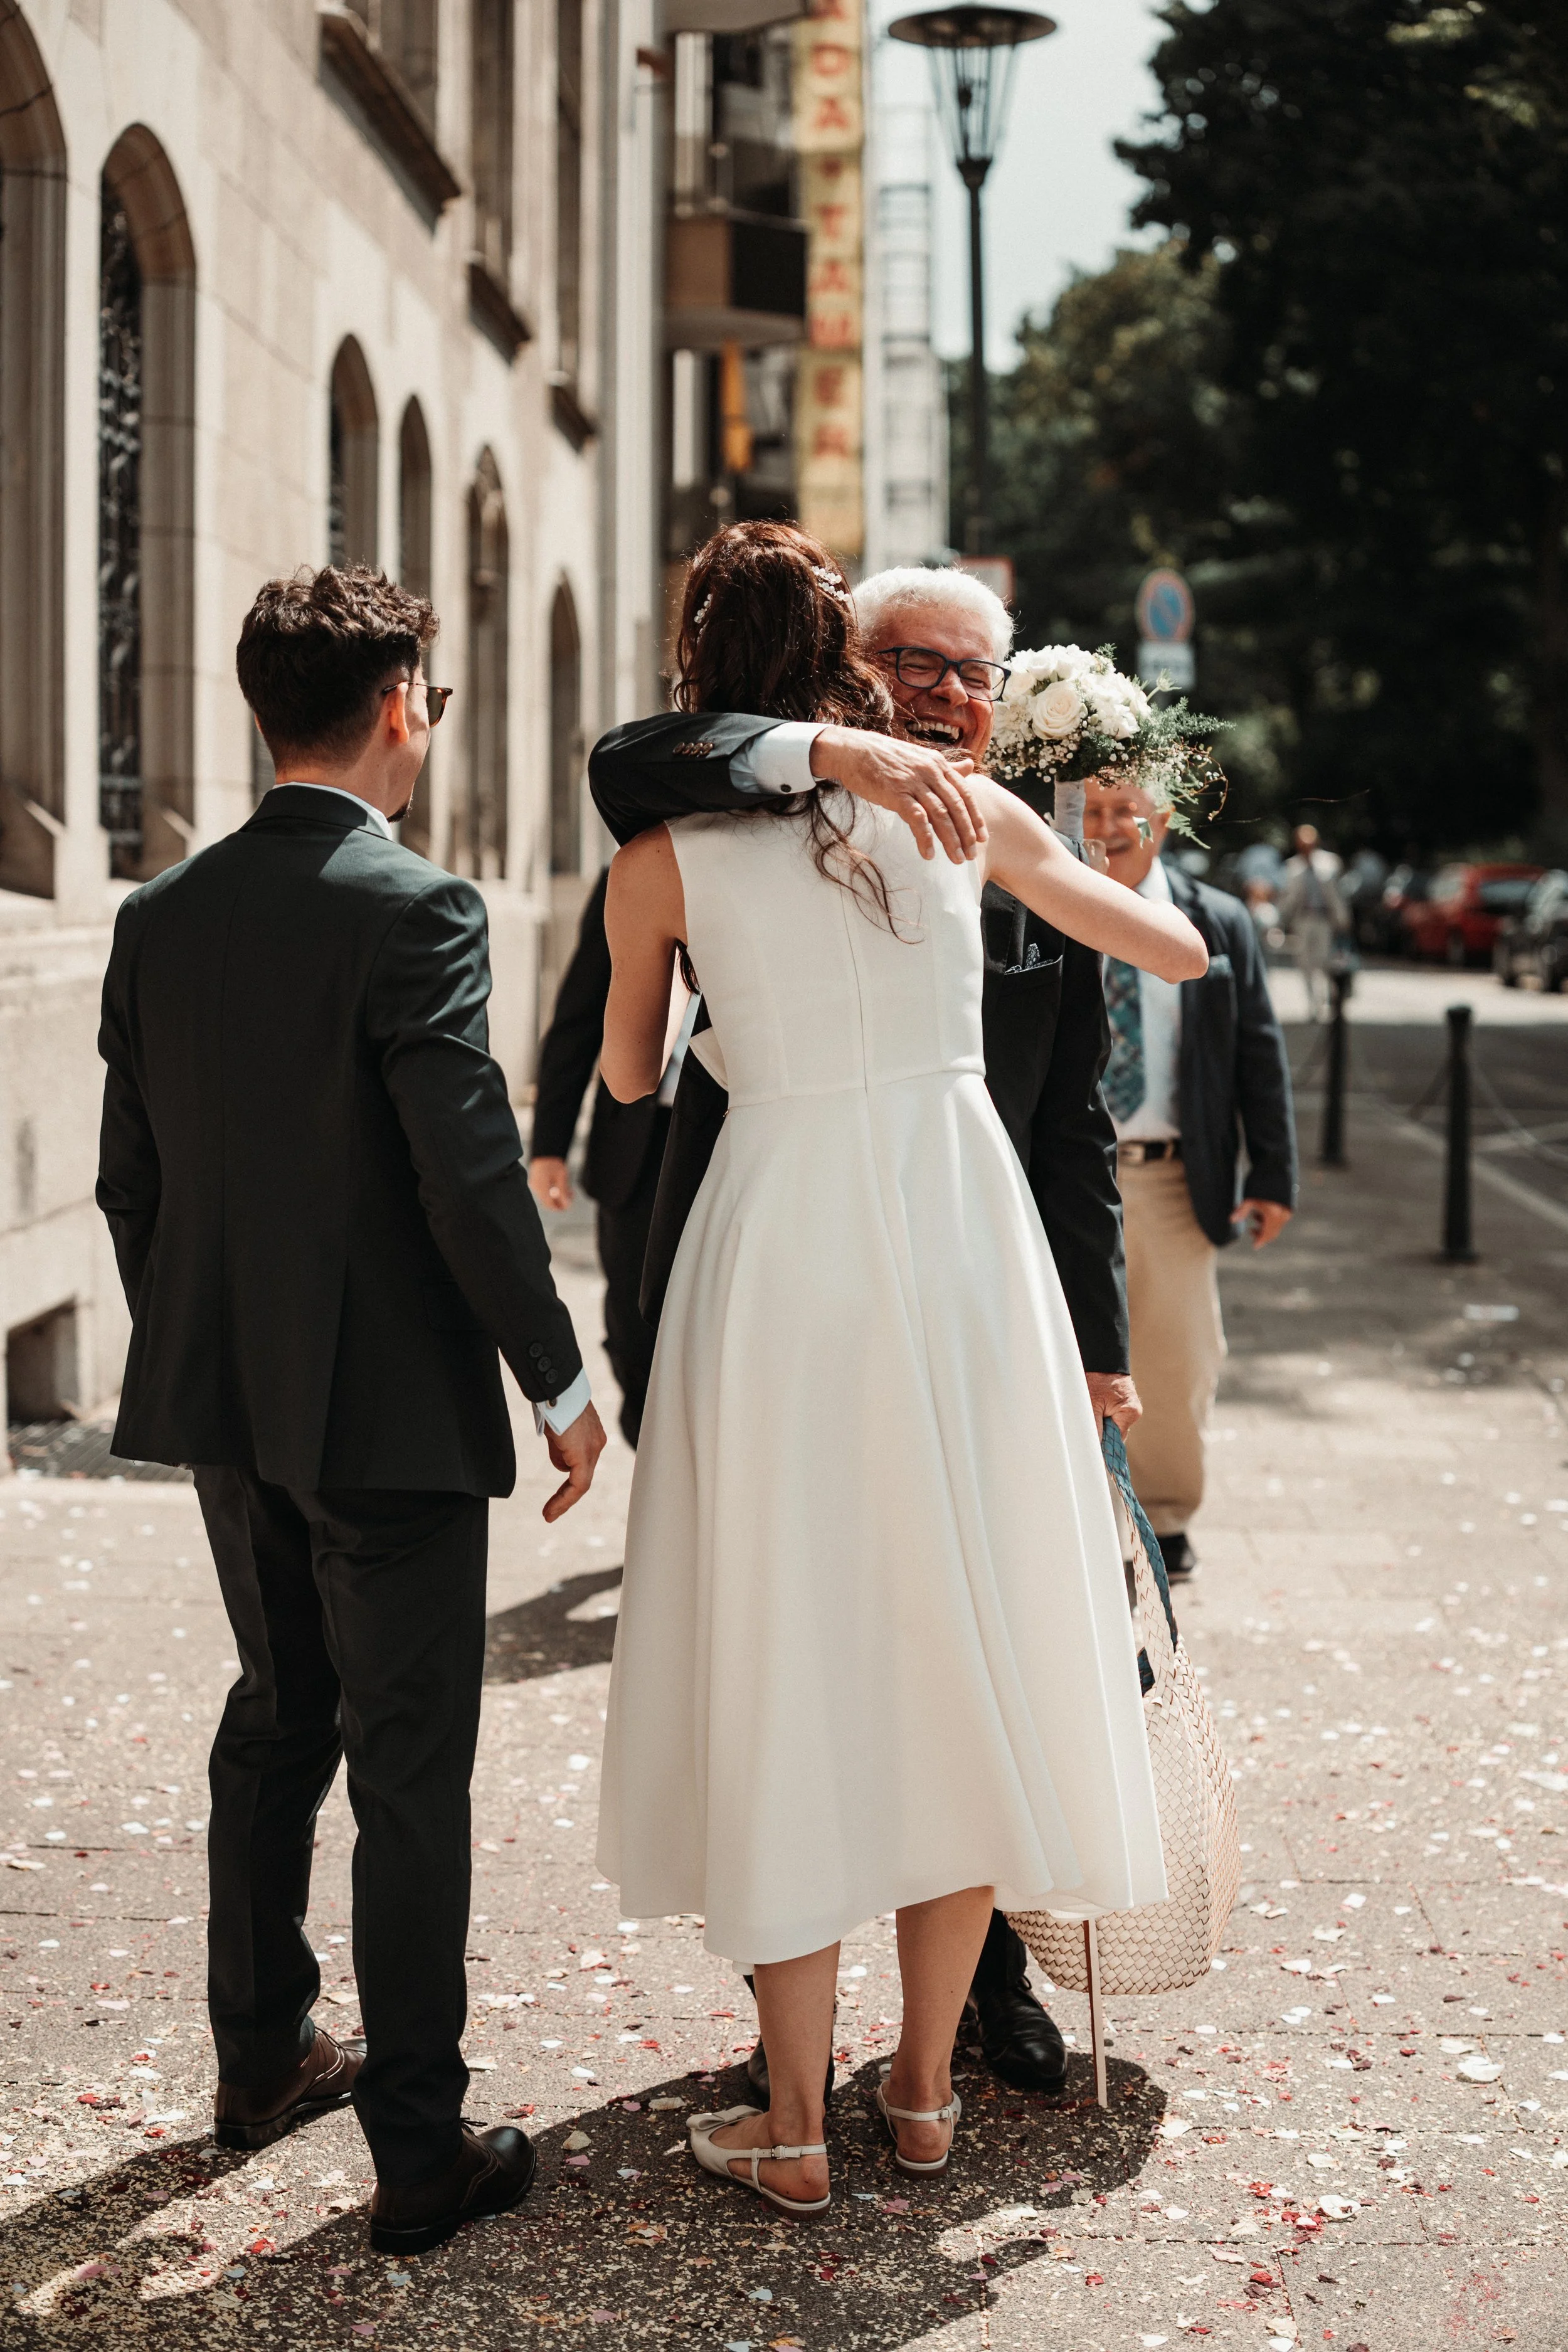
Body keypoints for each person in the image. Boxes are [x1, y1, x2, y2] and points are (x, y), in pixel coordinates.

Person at [594, 524, 1205, 2215]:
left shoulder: (657, 854)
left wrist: (720, 1019)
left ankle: (790, 2123)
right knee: (957, 1634)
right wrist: (1103, 840)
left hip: (776, 1242)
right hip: (952, 1243)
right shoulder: (965, 822)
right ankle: (922, 2093)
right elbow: (1177, 956)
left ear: (700, 678)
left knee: (785, 1642)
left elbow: (630, 1075)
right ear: (851, 671)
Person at [96, 566, 605, 2257]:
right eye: (435, 702)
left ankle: (258, 2060)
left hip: (228, 1397)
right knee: (405, 1769)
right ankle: (416, 2150)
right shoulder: (418, 909)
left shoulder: (159, 915)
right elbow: (467, 1174)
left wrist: (206, 1335)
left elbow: (130, 1182)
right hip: (386, 1413)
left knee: (273, 1709)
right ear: (398, 700)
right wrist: (557, 1372)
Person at [1082, 774, 1298, 1582]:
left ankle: (1165, 1521)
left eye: (1123, 812)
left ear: (1162, 820)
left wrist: (1273, 1172)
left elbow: (1257, 1051)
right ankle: (1075, 1511)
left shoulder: (1219, 920)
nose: (1107, 828)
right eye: (1090, 810)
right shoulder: (1040, 900)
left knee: (1177, 1359)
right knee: (1067, 1349)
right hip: (1070, 1176)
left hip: (1175, 1175)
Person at [529, 869, 694, 1446]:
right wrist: (548, 1144)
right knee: (631, 1328)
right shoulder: (635, 869)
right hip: (638, 1146)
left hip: (736, 1139)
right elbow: (578, 1015)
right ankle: (657, 1465)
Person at [1278, 822, 1348, 1020]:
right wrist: (1280, 921)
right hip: (1303, 919)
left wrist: (1343, 919)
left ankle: (1329, 1001)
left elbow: (1339, 893)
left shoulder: (1330, 863)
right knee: (1305, 963)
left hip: (1324, 919)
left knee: (1325, 961)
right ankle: (1313, 1006)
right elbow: (1288, 897)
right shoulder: (1293, 866)